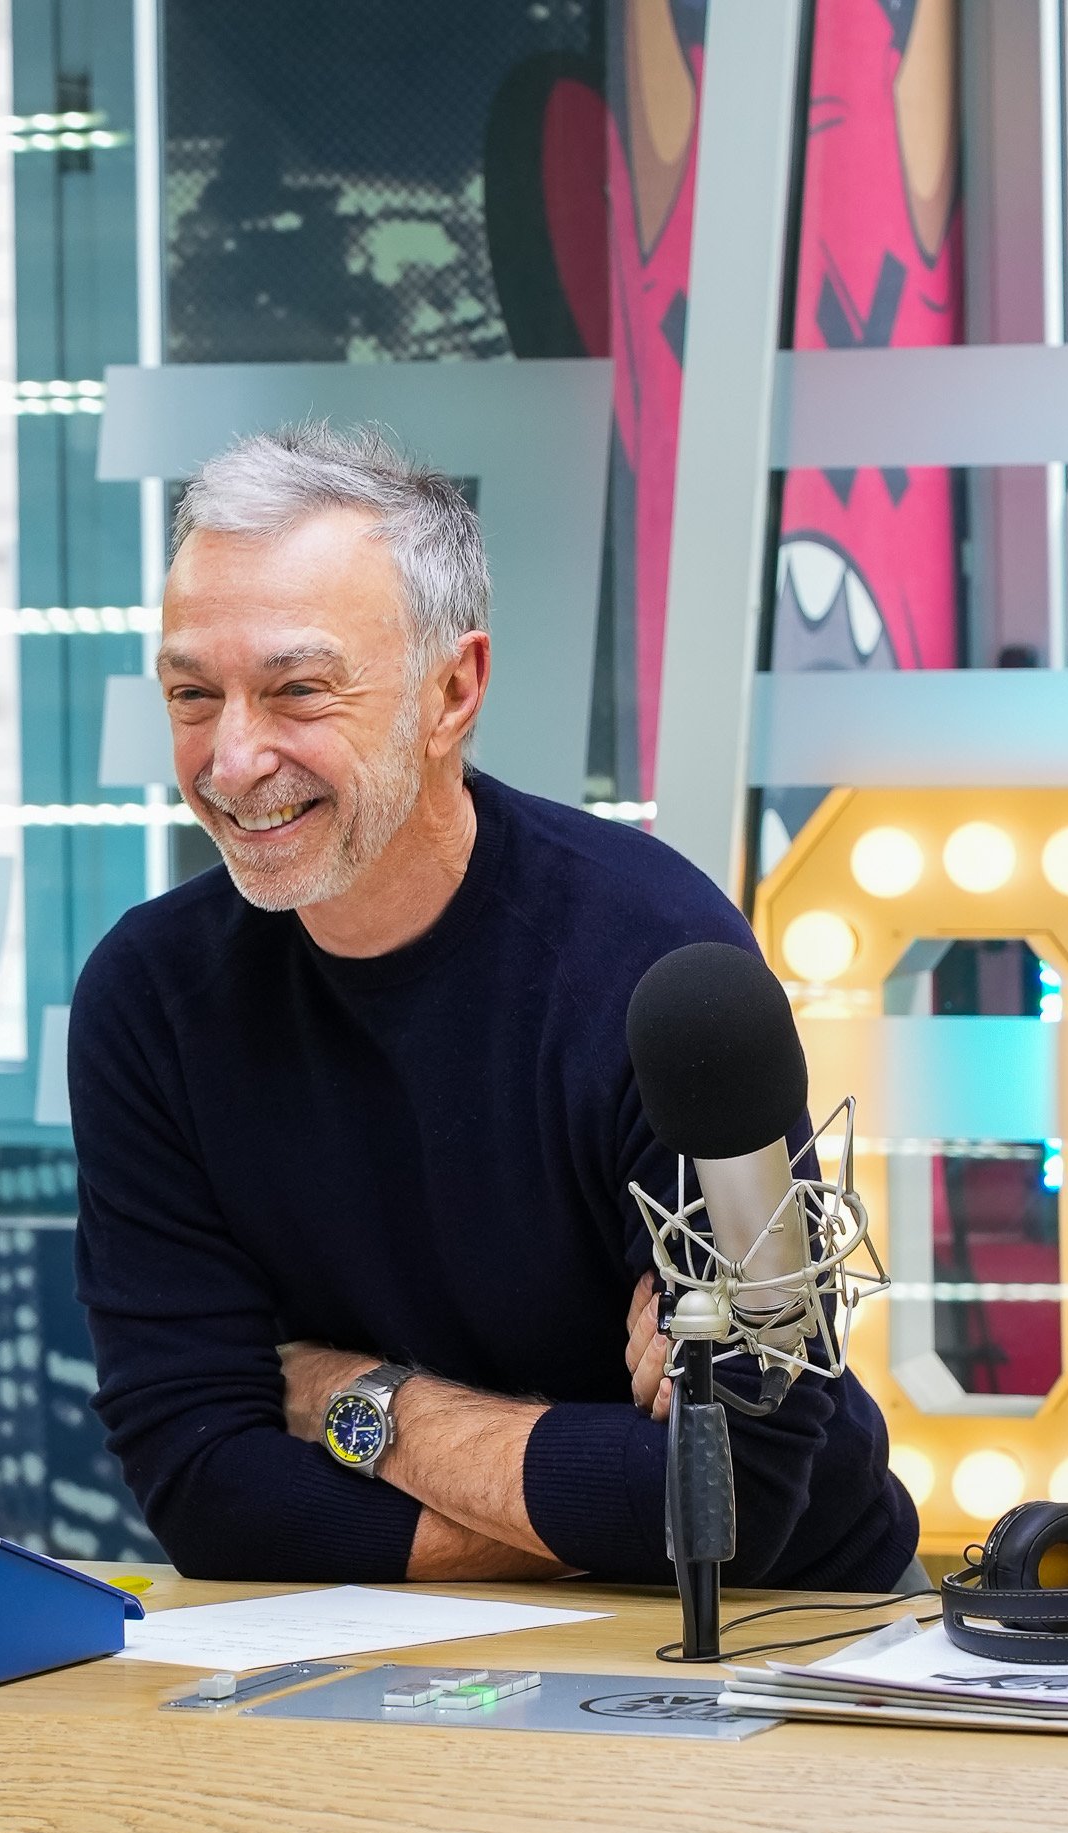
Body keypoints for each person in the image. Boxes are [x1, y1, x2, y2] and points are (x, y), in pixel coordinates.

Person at [69, 422, 919, 1589]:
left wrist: (363, 1400)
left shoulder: (662, 966)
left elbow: (735, 1499)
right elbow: (207, 1491)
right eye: (192, 694)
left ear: (453, 690)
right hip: (376, 1652)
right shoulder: (150, 1000)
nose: (233, 757)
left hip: (787, 1629)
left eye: (298, 690)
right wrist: (603, 1498)